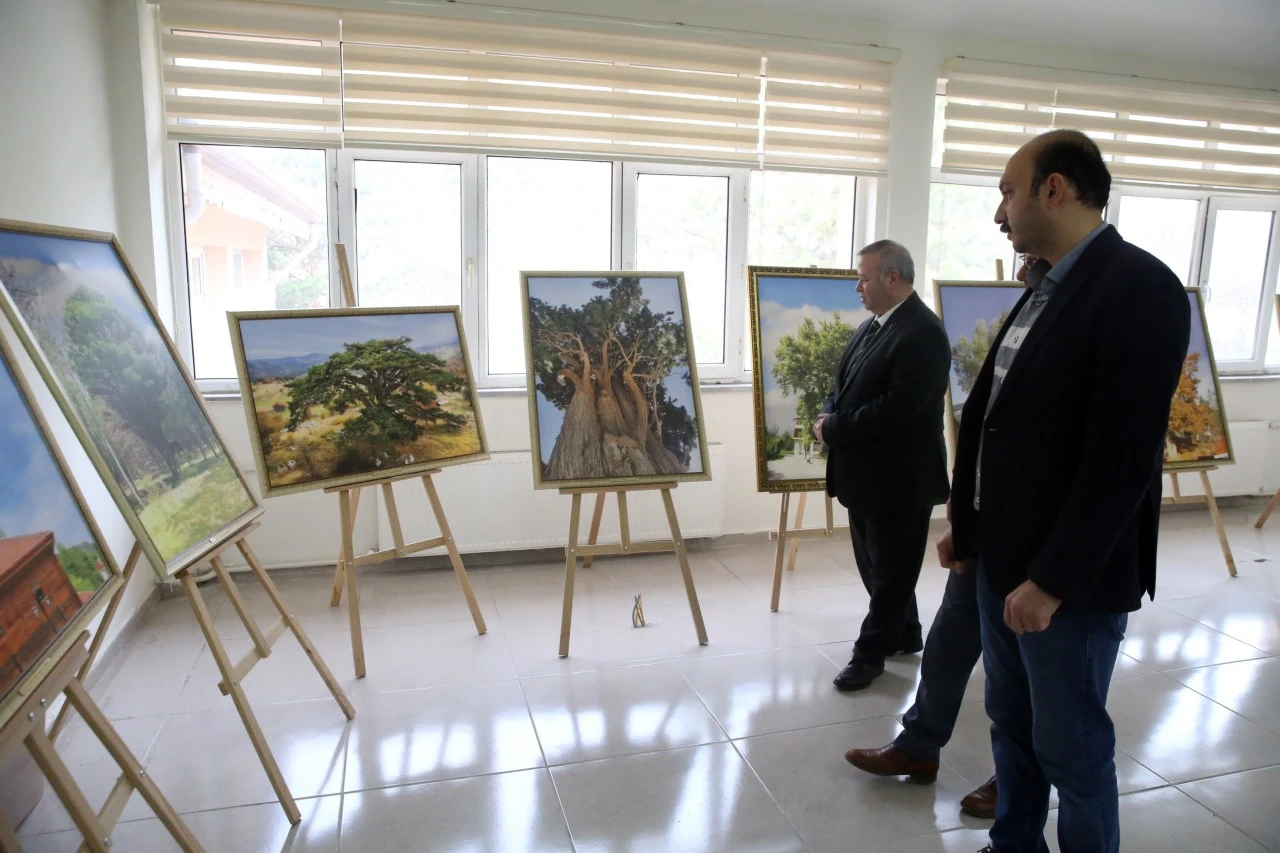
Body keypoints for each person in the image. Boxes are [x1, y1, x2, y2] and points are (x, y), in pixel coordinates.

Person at [941, 130, 1190, 853]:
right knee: (1010, 724)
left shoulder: (1139, 288)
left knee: (1072, 746)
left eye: (1007, 191)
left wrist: (1050, 581)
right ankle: (1016, 842)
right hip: (1002, 558)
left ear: (1056, 189)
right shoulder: (1045, 286)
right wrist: (971, 523)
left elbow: (1120, 459)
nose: (999, 213)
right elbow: (1001, 422)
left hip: (1065, 581)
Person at [841, 254, 1038, 819]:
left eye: (1029, 261)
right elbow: (985, 424)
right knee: (949, 649)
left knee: (1017, 673)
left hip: (1029, 537)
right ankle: (917, 746)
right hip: (984, 525)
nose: (1019, 269)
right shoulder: (1027, 312)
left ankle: (1019, 779)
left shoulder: (924, 332)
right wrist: (964, 515)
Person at [814, 240, 951, 692]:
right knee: (877, 568)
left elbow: (898, 408)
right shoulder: (872, 327)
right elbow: (844, 385)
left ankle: (868, 655)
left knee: (891, 573)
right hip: (864, 478)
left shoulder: (923, 332)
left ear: (893, 278)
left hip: (900, 481)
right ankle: (906, 633)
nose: (858, 286)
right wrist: (829, 414)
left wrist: (834, 428)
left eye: (864, 277)